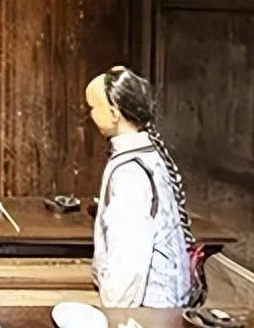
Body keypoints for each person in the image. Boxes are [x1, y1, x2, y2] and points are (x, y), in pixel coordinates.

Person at [84, 66, 195, 308]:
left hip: (150, 307)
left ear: (113, 113)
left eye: (93, 107)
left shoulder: (130, 172)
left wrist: (115, 311)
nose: (90, 115)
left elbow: (128, 255)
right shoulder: (148, 154)